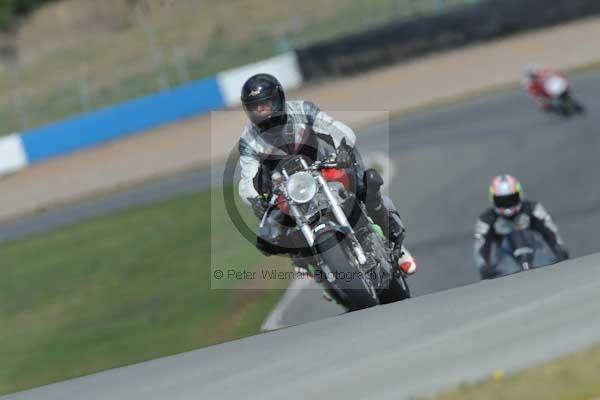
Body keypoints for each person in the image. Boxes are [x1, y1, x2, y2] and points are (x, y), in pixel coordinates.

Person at [237, 73, 417, 276]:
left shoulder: (302, 110)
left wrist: (341, 149)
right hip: (291, 187)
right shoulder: (248, 140)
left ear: (277, 100)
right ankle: (316, 267)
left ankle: (394, 244)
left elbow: (335, 128)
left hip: (325, 166)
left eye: (265, 104)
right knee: (273, 231)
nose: (261, 112)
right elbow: (248, 177)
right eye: (254, 108)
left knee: (365, 184)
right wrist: (255, 198)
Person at [474, 174, 570, 279]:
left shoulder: (533, 208)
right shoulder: (486, 219)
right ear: (493, 199)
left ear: (519, 195)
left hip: (537, 253)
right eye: (502, 201)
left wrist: (559, 248)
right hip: (506, 261)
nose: (507, 205)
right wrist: (483, 267)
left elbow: (549, 229)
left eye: (511, 199)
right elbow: (480, 246)